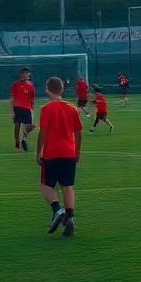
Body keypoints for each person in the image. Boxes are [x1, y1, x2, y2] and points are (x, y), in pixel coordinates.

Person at [36, 76, 82, 238]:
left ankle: (57, 209)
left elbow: (43, 132)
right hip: (69, 152)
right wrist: (77, 153)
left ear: (47, 89)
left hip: (52, 153)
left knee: (46, 185)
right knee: (67, 186)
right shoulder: (72, 109)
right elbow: (78, 133)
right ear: (62, 90)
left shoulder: (46, 109)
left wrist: (39, 151)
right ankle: (70, 217)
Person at [9, 66, 36, 152]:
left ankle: (24, 139)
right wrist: (12, 110)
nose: (25, 75)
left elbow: (32, 99)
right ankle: (17, 144)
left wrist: (32, 109)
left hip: (27, 109)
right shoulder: (15, 84)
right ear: (20, 74)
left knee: (29, 127)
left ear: (29, 75)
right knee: (17, 126)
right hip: (17, 108)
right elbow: (12, 97)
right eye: (23, 73)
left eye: (26, 73)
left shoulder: (31, 86)